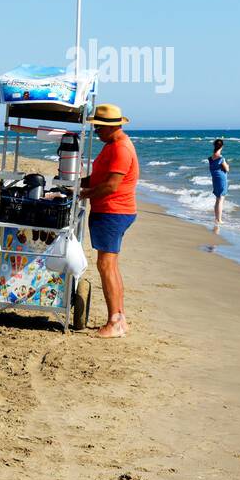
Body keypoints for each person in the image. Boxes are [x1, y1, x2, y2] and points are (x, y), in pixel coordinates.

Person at [80, 104, 140, 338]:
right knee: (110, 265)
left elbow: (111, 185)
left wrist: (84, 194)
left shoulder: (121, 148)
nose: (95, 131)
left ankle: (114, 321)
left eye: (98, 127)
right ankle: (120, 318)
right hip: (113, 211)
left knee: (105, 265)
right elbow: (99, 178)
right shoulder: (112, 145)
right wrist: (77, 182)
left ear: (111, 126)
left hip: (113, 211)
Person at [208, 138, 230, 225]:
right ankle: (219, 219)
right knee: (221, 199)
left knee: (217, 199)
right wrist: (227, 165)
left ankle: (216, 218)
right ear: (222, 146)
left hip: (215, 178)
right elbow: (227, 169)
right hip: (221, 178)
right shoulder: (221, 158)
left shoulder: (211, 158)